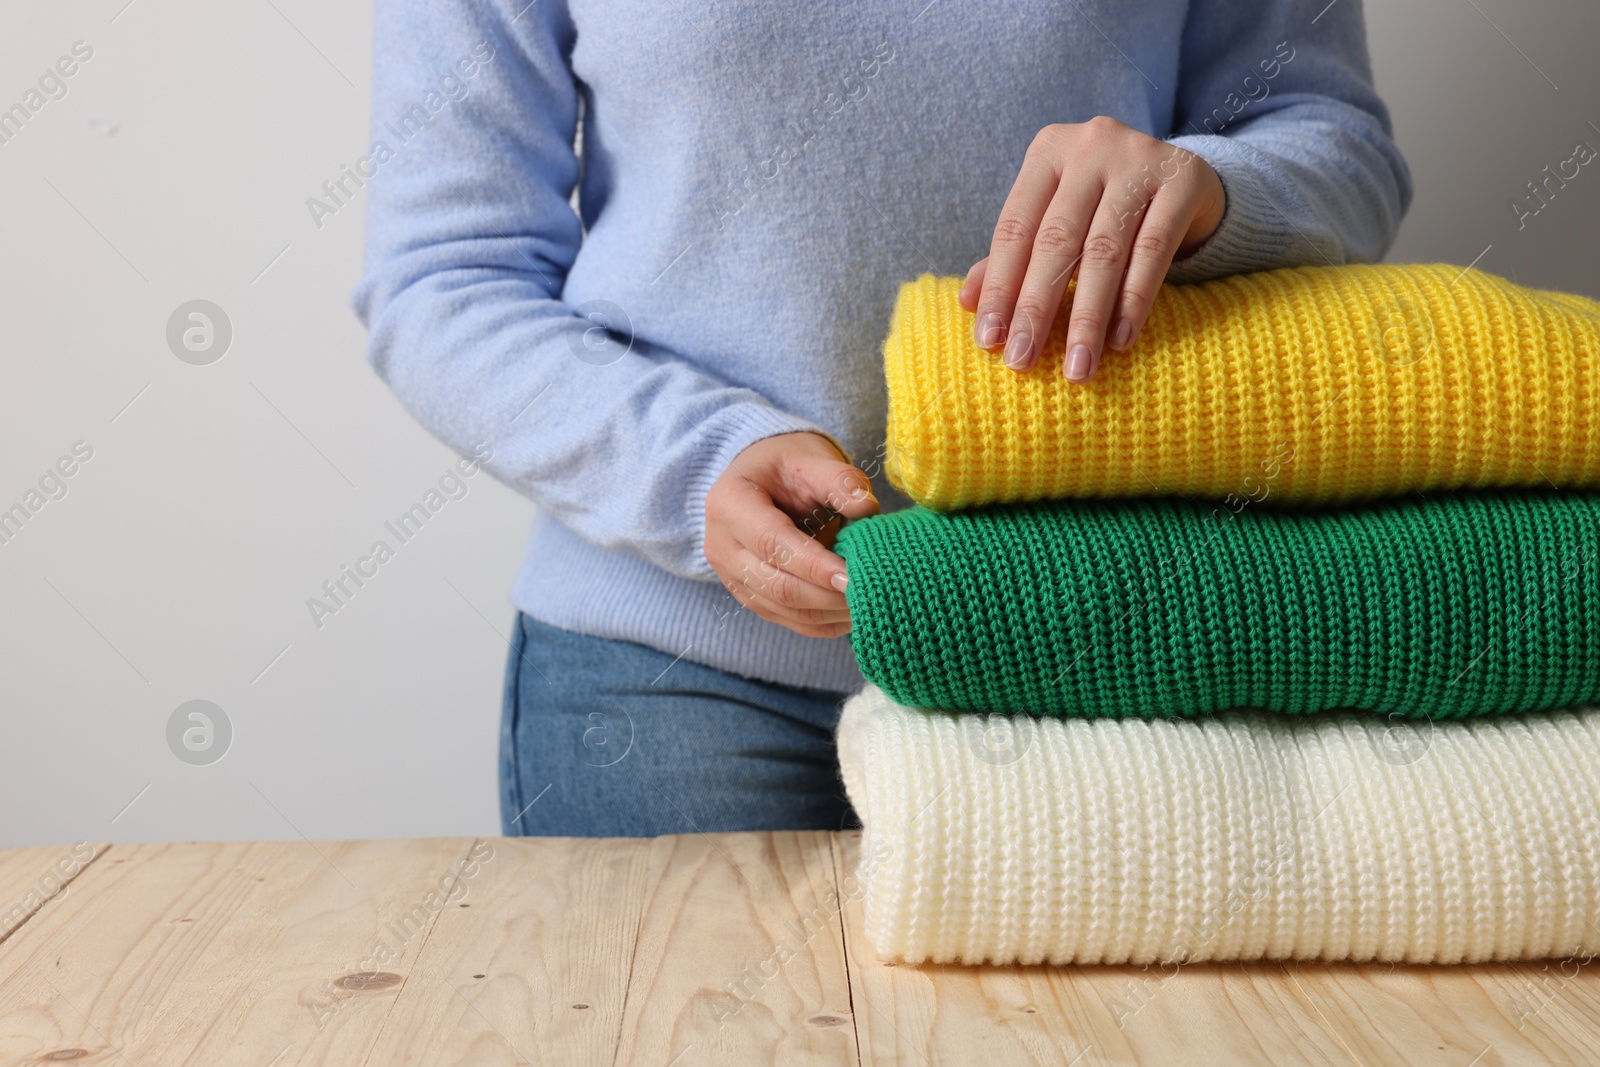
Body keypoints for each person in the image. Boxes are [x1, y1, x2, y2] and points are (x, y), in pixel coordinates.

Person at [351, 0, 1411, 837]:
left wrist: (1207, 187)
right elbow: (446, 276)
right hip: (673, 679)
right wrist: (697, 465)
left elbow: (1336, 143)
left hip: (1090, 642)